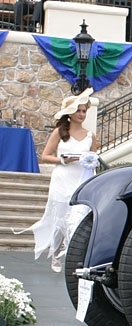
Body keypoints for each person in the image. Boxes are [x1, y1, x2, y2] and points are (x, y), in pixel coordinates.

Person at [21, 90, 100, 272]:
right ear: (70, 113)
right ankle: (56, 253)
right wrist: (63, 160)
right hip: (62, 179)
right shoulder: (60, 132)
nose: (81, 114)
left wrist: (91, 161)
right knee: (60, 216)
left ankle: (73, 254)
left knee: (77, 216)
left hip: (81, 178)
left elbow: (93, 156)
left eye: (83, 111)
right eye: (78, 110)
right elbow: (45, 156)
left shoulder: (90, 135)